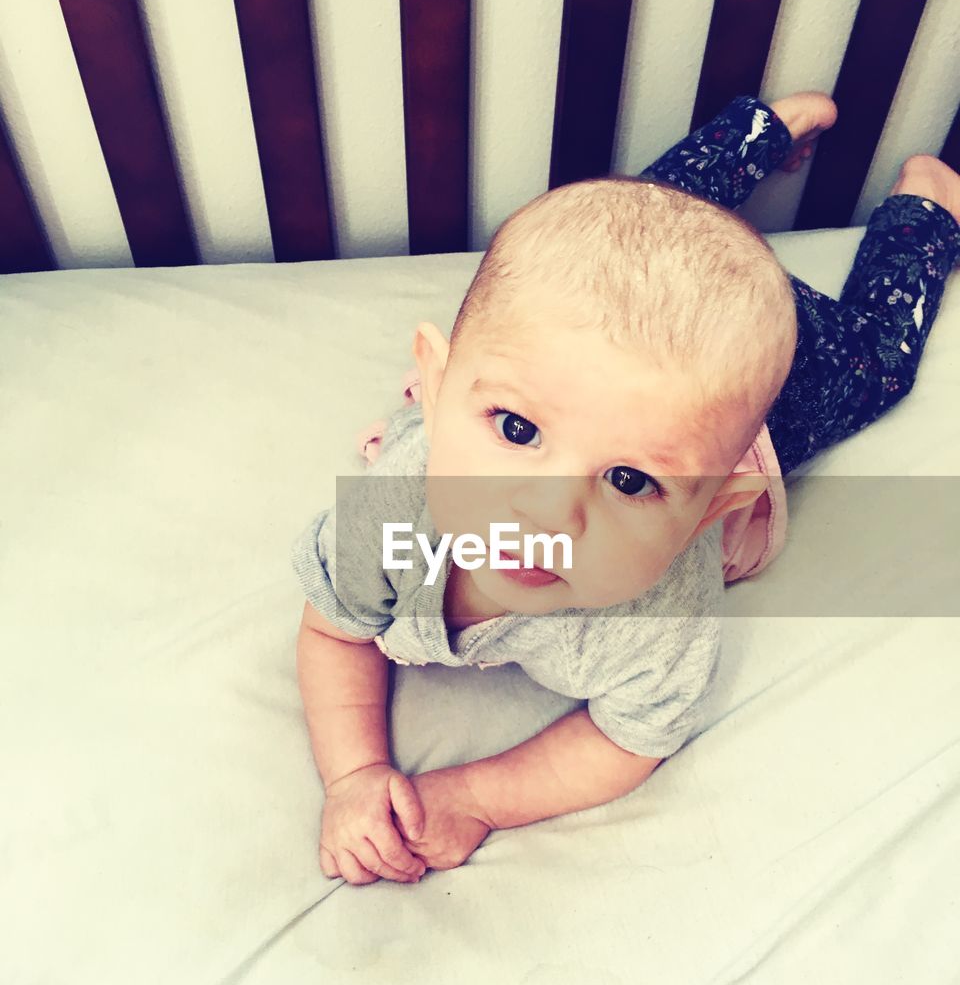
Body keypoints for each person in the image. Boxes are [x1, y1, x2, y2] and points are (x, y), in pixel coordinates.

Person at [292, 91, 960, 886]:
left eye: (630, 481)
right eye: (514, 430)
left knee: (875, 365)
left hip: (768, 391)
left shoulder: (657, 611)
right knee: (635, 228)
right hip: (624, 352)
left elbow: (628, 738)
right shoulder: (394, 511)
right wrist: (355, 775)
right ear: (432, 392)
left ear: (710, 511)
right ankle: (757, 133)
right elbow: (335, 628)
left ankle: (928, 203)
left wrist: (476, 797)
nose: (547, 511)